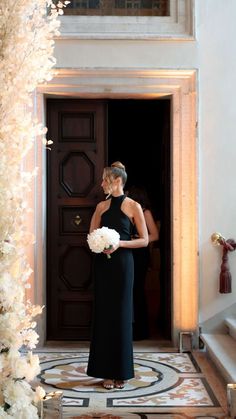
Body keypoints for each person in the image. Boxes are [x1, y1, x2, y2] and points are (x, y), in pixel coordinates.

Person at [86, 162, 148, 390]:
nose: (101, 184)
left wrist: (118, 243)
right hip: (103, 265)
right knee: (104, 316)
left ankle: (121, 372)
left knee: (121, 316)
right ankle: (104, 373)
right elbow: (91, 235)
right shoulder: (101, 207)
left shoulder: (134, 206)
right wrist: (99, 244)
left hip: (123, 265)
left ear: (117, 181)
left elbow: (145, 240)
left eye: (105, 180)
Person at [127, 186, 159, 340]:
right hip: (129, 253)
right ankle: (130, 328)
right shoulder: (128, 212)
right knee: (129, 291)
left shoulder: (145, 212)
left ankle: (141, 331)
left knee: (137, 290)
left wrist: (136, 240)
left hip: (140, 255)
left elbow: (154, 235)